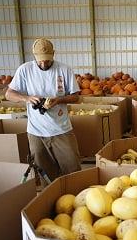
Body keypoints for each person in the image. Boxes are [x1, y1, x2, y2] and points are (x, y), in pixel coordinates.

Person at [6, 38, 81, 181]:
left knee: (73, 169)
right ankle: (50, 198)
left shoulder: (64, 69)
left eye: (47, 60)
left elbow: (75, 97)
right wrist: (27, 98)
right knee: (45, 173)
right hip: (36, 132)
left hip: (62, 129)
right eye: (40, 60)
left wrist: (58, 100)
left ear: (54, 54)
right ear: (34, 55)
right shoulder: (25, 70)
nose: (44, 63)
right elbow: (9, 94)